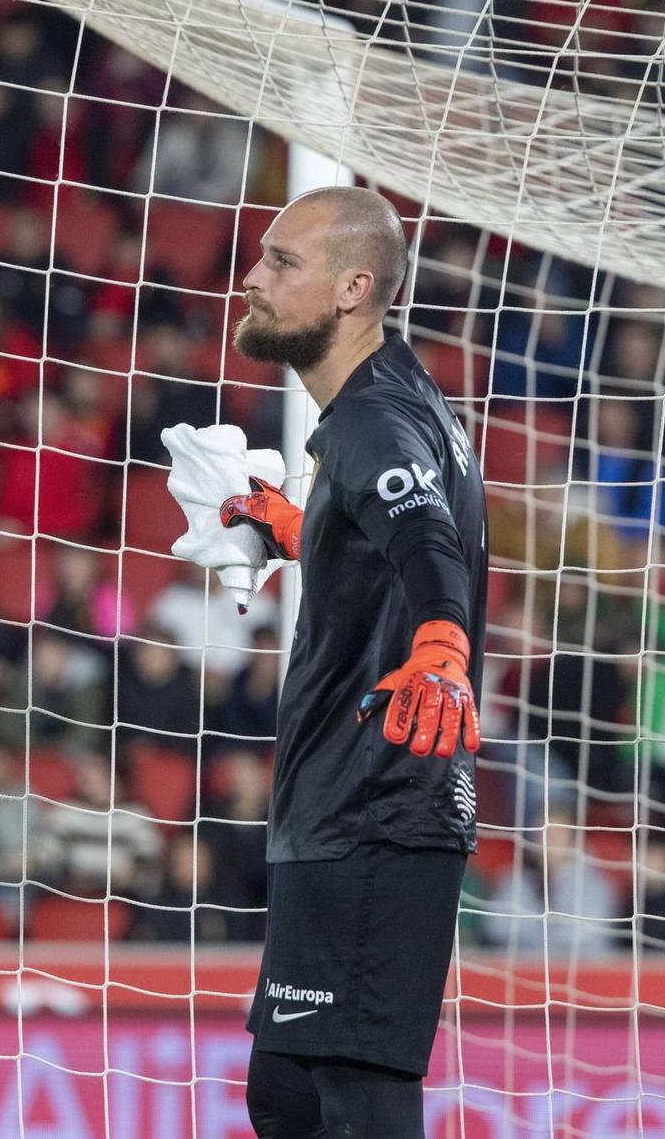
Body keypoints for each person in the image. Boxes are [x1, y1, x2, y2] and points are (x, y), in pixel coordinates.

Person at [214, 187, 487, 1138]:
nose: (253, 277)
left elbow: (429, 544)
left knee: (356, 1098)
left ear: (353, 288)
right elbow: (389, 520)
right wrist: (301, 531)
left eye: (283, 261)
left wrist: (442, 637)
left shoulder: (375, 422)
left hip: (381, 800)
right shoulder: (392, 395)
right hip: (339, 805)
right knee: (286, 1095)